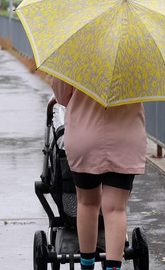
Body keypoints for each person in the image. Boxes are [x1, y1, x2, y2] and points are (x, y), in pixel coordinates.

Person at [51, 77, 146, 270]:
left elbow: (62, 97)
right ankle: (113, 267)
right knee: (115, 208)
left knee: (87, 202)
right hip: (125, 136)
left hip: (85, 135)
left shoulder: (77, 53)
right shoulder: (136, 53)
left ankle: (87, 265)